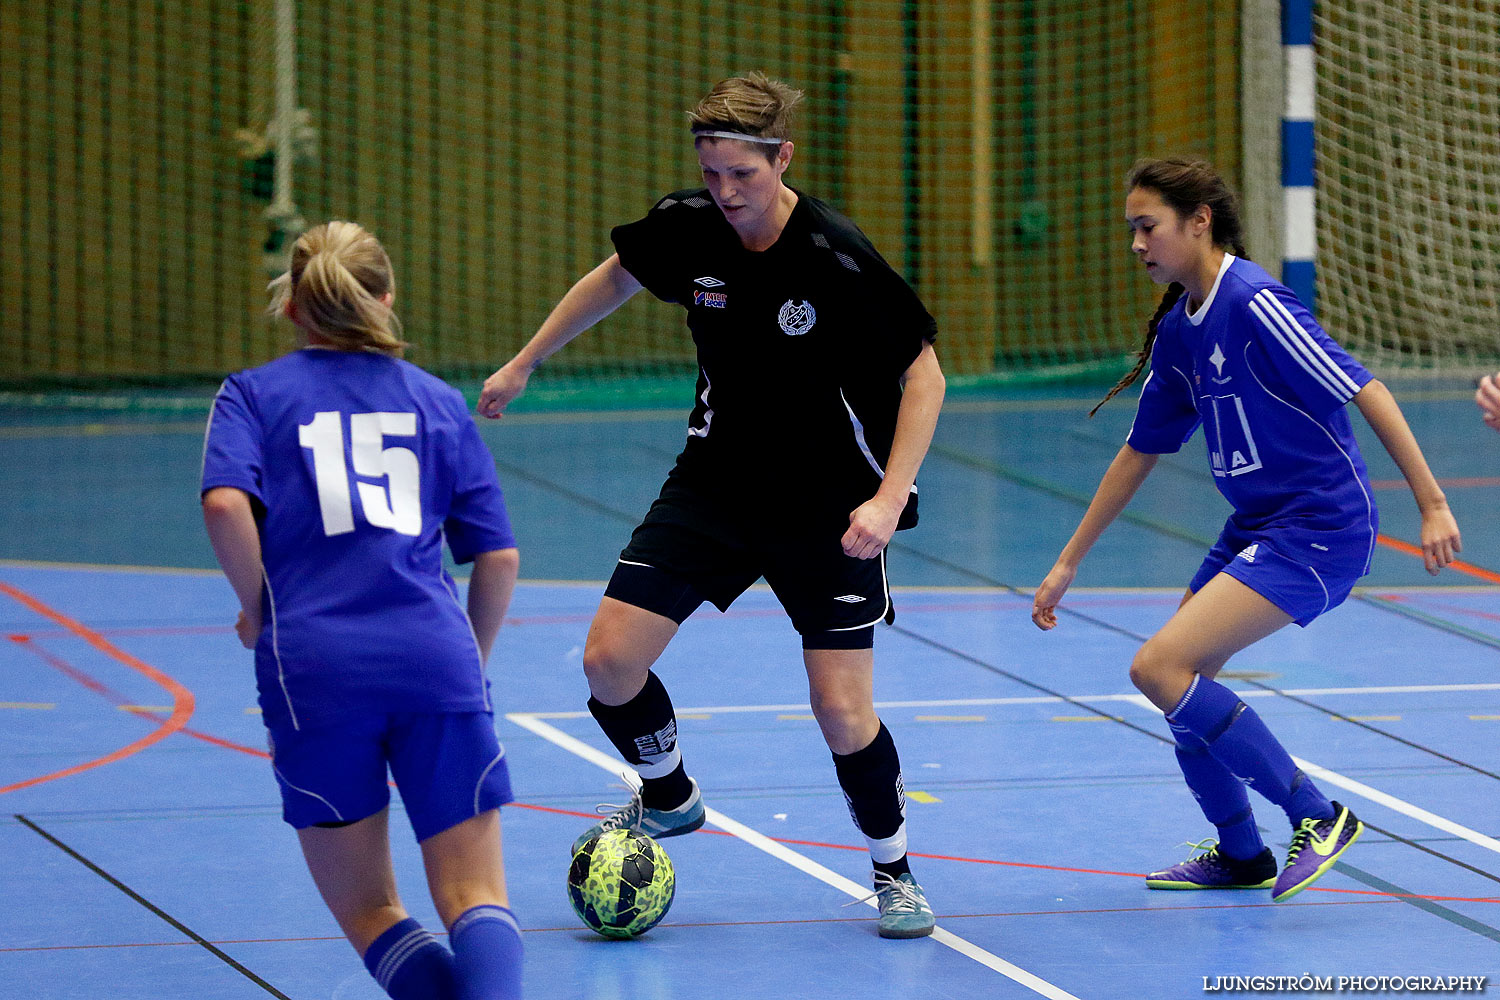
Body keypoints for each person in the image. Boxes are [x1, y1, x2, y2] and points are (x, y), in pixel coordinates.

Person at [478, 73, 945, 938]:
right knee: (609, 663)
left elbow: (924, 374)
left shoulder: (834, 255)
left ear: (783, 159)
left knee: (841, 711)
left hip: (827, 504)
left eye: (743, 174)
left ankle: (896, 872)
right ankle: (670, 791)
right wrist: (526, 360)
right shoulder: (689, 226)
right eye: (713, 172)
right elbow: (617, 276)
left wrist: (886, 499)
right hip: (714, 485)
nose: (726, 192)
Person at [1032, 159, 1462, 902]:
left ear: (1199, 220)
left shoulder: (1256, 302)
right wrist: (1069, 561)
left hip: (1321, 526)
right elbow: (1141, 450)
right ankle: (1241, 854)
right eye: (1131, 229)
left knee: (1157, 668)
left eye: (1148, 227)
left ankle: (1319, 817)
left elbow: (1367, 388)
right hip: (1258, 524)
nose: (1137, 244)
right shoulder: (1179, 326)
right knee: (1183, 688)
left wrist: (1432, 503)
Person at [202, 221, 524, 998]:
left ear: (292, 310)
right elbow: (499, 557)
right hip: (432, 656)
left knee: (372, 907)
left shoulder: (252, 395)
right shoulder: (437, 402)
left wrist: (260, 613)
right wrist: (466, 663)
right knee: (474, 898)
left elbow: (223, 505)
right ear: (386, 299)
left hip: (314, 667)